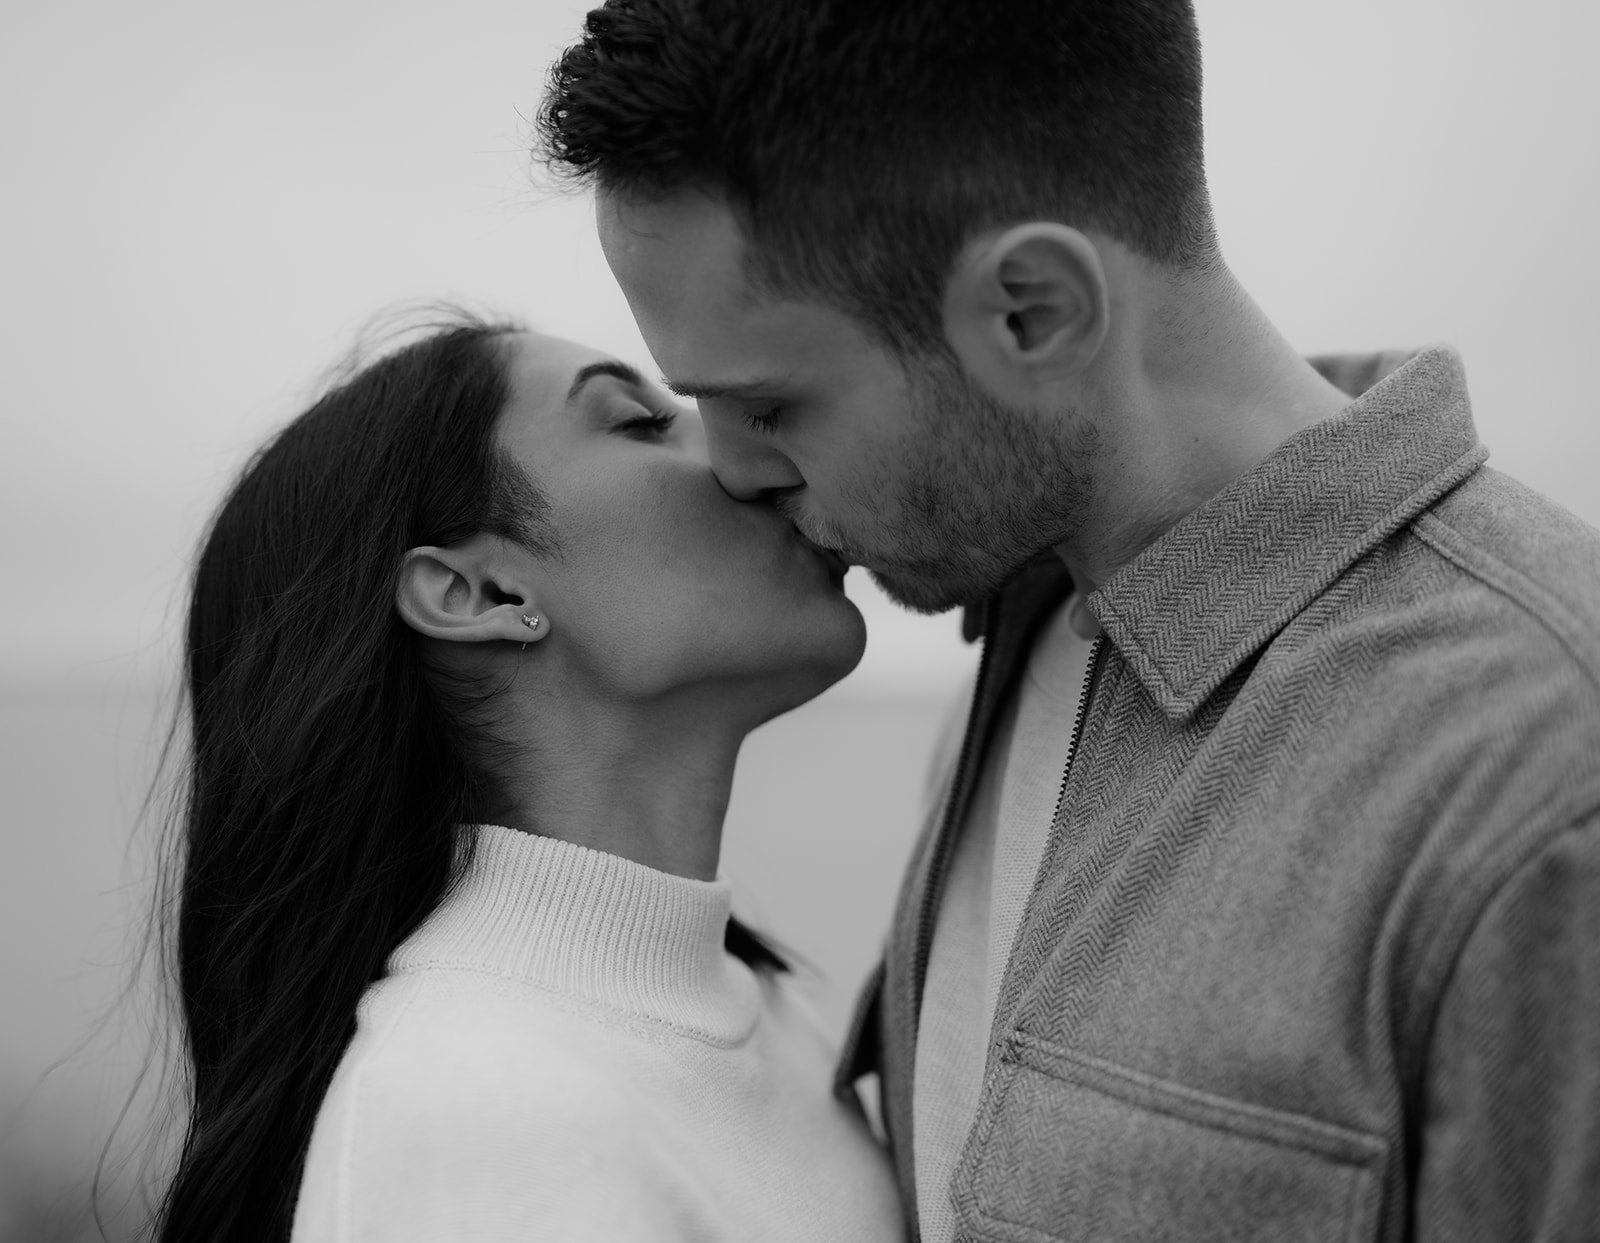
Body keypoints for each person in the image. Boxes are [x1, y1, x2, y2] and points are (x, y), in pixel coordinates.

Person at [538, 2, 1600, 1240]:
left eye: (771, 404)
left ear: (1032, 311)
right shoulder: (1031, 624)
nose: (731, 471)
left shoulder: (1542, 775)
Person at [147, 314, 904, 1243]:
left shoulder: (755, 1007)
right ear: (483, 595)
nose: (738, 451)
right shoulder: (475, 1112)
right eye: (640, 421)